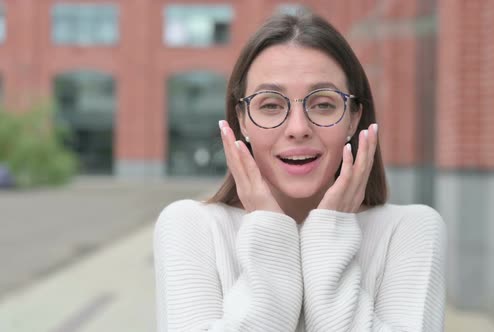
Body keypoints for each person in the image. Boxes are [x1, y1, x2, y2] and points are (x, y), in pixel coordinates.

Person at [154, 11, 446, 332]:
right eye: (270, 105)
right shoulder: (191, 226)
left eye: (323, 104)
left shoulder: (410, 230)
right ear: (242, 120)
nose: (298, 128)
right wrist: (269, 227)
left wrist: (330, 230)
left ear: (353, 118)